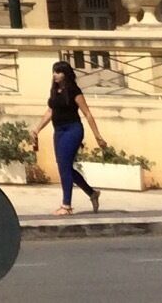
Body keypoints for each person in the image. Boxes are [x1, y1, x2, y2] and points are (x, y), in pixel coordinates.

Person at [32, 59, 107, 214]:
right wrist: (37, 129)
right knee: (63, 167)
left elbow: (87, 113)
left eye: (58, 72)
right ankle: (92, 193)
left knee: (65, 166)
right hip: (58, 131)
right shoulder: (54, 91)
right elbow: (50, 112)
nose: (55, 75)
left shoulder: (74, 90)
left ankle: (66, 206)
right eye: (54, 72)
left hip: (73, 130)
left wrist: (98, 136)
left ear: (65, 74)